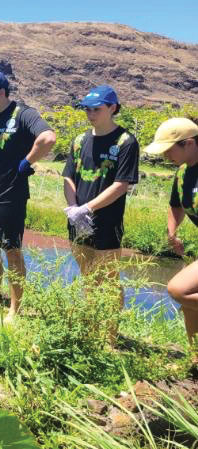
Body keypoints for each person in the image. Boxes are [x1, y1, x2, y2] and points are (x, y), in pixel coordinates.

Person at [0, 70, 56, 322]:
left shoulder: (24, 114)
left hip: (10, 197)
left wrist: (27, 161)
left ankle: (15, 309)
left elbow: (48, 138)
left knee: (12, 251)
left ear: (1, 92)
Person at [62, 86, 139, 307]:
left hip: (107, 222)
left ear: (112, 108)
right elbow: (68, 177)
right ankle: (92, 328)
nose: (91, 114)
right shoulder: (79, 140)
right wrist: (73, 209)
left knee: (108, 281)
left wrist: (87, 209)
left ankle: (109, 338)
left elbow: (121, 185)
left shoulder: (125, 141)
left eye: (96, 109)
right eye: (87, 110)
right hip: (77, 221)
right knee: (88, 276)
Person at [143, 118, 198, 358]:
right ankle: (195, 357)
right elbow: (176, 205)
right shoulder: (183, 173)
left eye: (169, 149)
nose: (165, 156)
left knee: (179, 290)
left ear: (189, 144)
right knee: (190, 306)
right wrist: (172, 231)